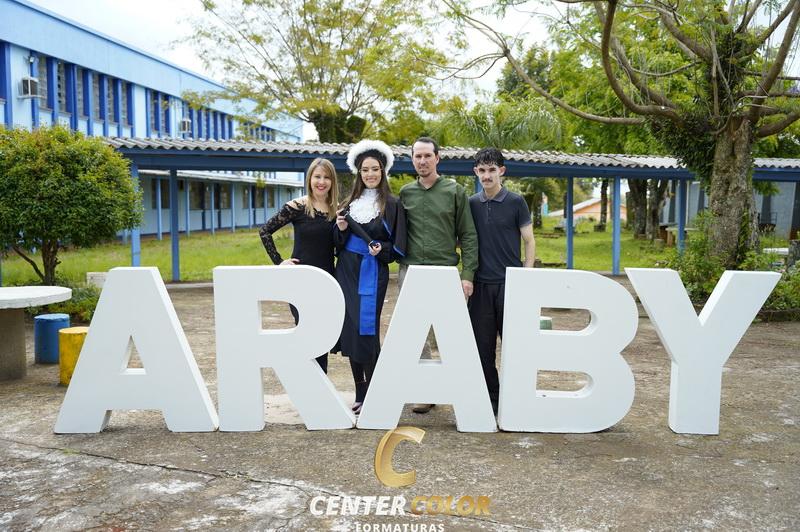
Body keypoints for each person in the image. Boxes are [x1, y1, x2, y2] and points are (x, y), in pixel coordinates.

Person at [399, 136, 478, 414]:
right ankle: (425, 390)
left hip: (444, 271)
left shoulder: (455, 192)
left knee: (449, 333)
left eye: (427, 156)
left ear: (437, 158)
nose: (422, 161)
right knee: (415, 334)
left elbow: (468, 235)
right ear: (412, 160)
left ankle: (459, 388)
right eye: (417, 156)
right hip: (410, 270)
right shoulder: (405, 193)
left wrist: (467, 274)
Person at [335, 140, 407, 415]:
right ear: (359, 172)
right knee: (351, 329)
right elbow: (337, 243)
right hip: (346, 270)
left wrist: (382, 250)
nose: (370, 174)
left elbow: (399, 245)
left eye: (375, 169)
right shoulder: (349, 204)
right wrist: (341, 228)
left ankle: (375, 391)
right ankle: (360, 391)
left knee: (367, 329)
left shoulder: (392, 204)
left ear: (383, 171)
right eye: (365, 170)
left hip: (372, 270)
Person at [468, 147, 535, 415]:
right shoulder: (471, 204)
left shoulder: (516, 202)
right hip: (480, 286)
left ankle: (516, 398)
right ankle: (492, 400)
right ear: (476, 172)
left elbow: (529, 241)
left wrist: (525, 275)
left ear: (501, 171)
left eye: (492, 170)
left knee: (514, 346)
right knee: (482, 348)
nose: (487, 175)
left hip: (509, 284)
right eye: (482, 170)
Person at [259, 157, 339, 373]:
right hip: (300, 282)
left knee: (322, 336)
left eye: (326, 177)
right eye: (317, 176)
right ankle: (308, 378)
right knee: (305, 333)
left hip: (327, 281)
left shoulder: (336, 211)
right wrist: (279, 262)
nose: (321, 182)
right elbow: (265, 231)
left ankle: (320, 383)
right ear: (309, 179)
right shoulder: (297, 206)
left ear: (332, 181)